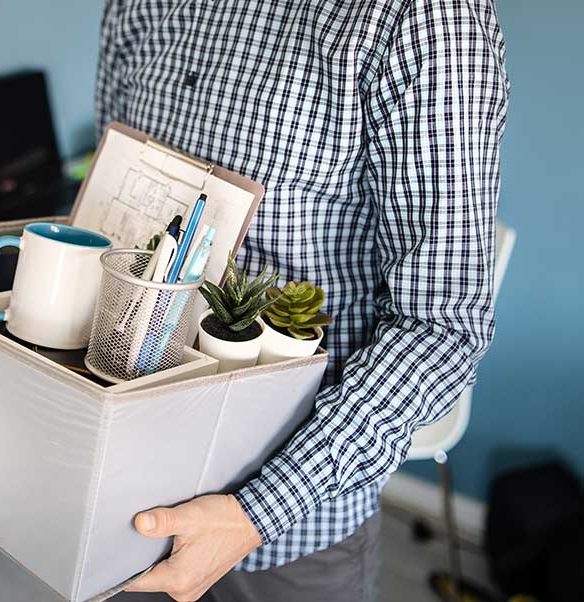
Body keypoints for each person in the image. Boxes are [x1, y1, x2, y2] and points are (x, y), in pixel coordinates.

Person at [97, 0, 510, 600]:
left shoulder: (422, 19)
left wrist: (257, 511)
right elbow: (117, 199)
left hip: (286, 521)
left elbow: (443, 323)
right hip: (123, 474)